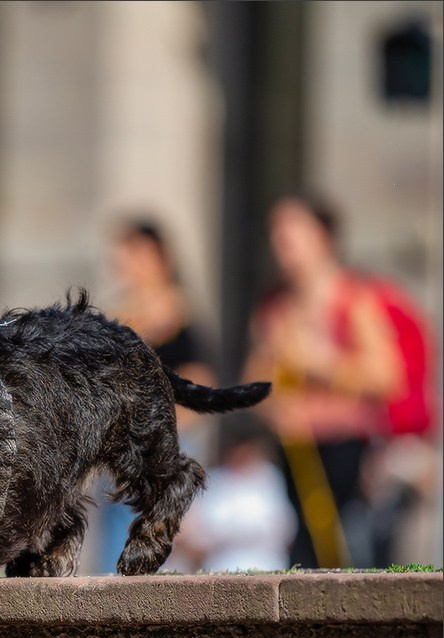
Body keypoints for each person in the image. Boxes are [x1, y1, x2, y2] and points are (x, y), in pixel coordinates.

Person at [243, 195, 406, 569]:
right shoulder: (274, 306)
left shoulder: (355, 299)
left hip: (347, 453)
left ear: (323, 236)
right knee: (301, 556)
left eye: (291, 230)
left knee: (351, 554)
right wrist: (275, 405)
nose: (280, 241)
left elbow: (387, 376)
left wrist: (320, 363)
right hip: (295, 451)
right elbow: (253, 380)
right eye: (276, 232)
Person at [92, 218, 217, 574]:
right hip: (120, 449)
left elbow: (201, 380)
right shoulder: (119, 315)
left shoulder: (179, 315)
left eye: (136, 253)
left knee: (159, 537)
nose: (127, 263)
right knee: (116, 538)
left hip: (163, 445)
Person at [168, 413, 296, 573]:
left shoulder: (269, 477)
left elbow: (284, 530)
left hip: (267, 567)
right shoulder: (215, 481)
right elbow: (197, 537)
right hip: (220, 571)